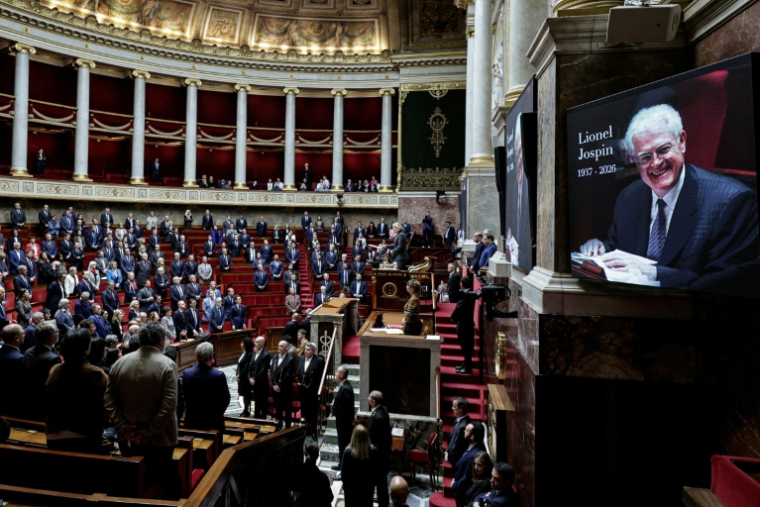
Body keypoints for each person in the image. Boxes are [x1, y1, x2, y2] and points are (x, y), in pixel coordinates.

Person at [579, 104, 760, 296]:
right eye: (645, 157)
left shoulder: (731, 202)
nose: (656, 162)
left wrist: (656, 273)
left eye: (663, 149)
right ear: (635, 160)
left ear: (682, 141)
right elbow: (619, 248)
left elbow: (722, 286)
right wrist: (601, 249)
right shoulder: (629, 197)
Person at [104, 323, 182, 500]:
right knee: (160, 483)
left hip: (127, 437)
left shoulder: (120, 363)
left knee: (134, 482)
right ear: (161, 341)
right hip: (160, 439)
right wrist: (148, 433)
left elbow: (109, 400)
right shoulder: (167, 364)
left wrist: (123, 427)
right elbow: (169, 405)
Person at [45, 328, 109, 454]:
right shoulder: (95, 373)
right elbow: (106, 404)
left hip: (54, 433)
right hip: (85, 434)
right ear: (86, 349)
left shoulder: (55, 370)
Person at [182, 342, 230, 432]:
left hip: (192, 421)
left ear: (196, 356)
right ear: (212, 357)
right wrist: (216, 415)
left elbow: (185, 395)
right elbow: (225, 399)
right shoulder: (218, 375)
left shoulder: (187, 373)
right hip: (213, 423)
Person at [23, 322, 62, 420]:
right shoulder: (53, 359)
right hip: (46, 402)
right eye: (56, 332)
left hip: (30, 398)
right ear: (51, 338)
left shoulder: (28, 352)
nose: (58, 333)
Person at [342, 424, 378, 507]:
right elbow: (376, 472)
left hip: (351, 489)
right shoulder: (373, 452)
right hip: (367, 489)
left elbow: (344, 474)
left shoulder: (348, 453)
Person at [452, 422, 487, 507]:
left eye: (467, 431)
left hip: (463, 493)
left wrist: (454, 485)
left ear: (472, 437)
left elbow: (466, 479)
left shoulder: (475, 454)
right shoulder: (470, 446)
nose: (464, 431)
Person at [451, 276, 480, 374]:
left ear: (462, 284)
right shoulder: (468, 293)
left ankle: (467, 368)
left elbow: (459, 307)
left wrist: (453, 317)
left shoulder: (466, 294)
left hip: (464, 324)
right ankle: (465, 365)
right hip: (466, 323)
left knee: (465, 347)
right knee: (466, 346)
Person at [368, 390, 392, 507]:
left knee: (381, 481)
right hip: (381, 454)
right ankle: (383, 500)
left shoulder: (379, 417)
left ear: (373, 401)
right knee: (380, 480)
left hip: (379, 456)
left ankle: (383, 503)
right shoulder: (382, 410)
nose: (368, 399)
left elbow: (380, 440)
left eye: (369, 398)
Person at [331, 364, 355, 477]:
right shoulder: (344, 385)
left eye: (337, 372)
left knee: (344, 444)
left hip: (344, 423)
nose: (335, 374)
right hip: (342, 421)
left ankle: (344, 469)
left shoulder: (346, 388)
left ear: (341, 374)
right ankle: (341, 464)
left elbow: (348, 408)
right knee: (341, 444)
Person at [297, 342, 325, 439]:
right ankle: (306, 429)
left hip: (312, 391)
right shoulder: (301, 359)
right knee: (304, 410)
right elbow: (299, 372)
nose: (306, 351)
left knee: (312, 411)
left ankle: (313, 430)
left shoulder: (319, 361)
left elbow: (319, 377)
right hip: (302, 390)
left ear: (313, 351)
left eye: (308, 350)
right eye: (305, 349)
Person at [295, 441, 334, 507]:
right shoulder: (322, 477)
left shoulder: (298, 472)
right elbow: (330, 498)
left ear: (305, 453)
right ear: (318, 456)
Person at [0, 324, 26, 418]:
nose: (24, 335)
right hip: (15, 405)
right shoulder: (19, 359)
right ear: (17, 338)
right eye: (23, 333)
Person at [270, 339, 295, 429]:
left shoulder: (290, 359)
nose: (279, 348)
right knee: (278, 409)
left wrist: (279, 386)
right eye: (278, 346)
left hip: (285, 389)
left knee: (287, 410)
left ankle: (287, 428)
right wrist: (273, 384)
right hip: (275, 388)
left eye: (281, 346)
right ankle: (278, 425)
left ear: (286, 348)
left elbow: (288, 375)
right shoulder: (275, 357)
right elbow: (272, 371)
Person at [446, 397, 472, 466]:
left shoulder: (463, 426)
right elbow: (452, 438)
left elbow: (457, 447)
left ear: (460, 409)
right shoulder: (458, 419)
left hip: (457, 461)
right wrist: (447, 451)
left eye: (454, 406)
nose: (452, 408)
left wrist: (449, 456)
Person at [250, 336, 270, 418]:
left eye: (257, 342)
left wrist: (254, 379)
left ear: (262, 344)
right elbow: (250, 367)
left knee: (263, 402)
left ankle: (263, 419)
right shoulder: (254, 353)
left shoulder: (266, 355)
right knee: (256, 401)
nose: (255, 344)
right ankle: (256, 417)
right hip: (254, 382)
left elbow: (263, 370)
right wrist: (250, 377)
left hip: (262, 383)